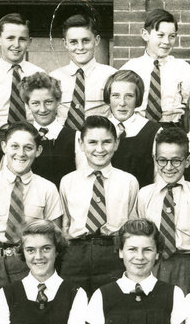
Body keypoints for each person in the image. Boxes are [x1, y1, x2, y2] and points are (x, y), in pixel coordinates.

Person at [0, 121, 63, 306]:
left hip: (30, 263)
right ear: (4, 147)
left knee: (27, 311)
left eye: (28, 147)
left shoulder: (47, 188)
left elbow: (55, 236)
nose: (21, 153)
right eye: (15, 146)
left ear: (38, 151)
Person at [58, 115, 139, 295]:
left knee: (112, 302)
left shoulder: (128, 182)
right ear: (81, 144)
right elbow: (66, 223)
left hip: (114, 252)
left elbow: (132, 224)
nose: (100, 149)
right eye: (92, 142)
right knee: (74, 302)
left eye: (107, 142)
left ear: (116, 143)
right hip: (76, 253)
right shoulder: (68, 181)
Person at [137, 127, 190, 294]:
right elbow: (140, 236)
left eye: (176, 161)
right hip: (153, 263)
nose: (169, 167)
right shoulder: (144, 194)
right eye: (162, 160)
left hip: (186, 265)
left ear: (188, 160)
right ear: (155, 160)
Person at [0, 13, 45, 148]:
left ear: (29, 42)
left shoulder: (40, 75)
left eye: (22, 39)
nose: (16, 45)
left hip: (31, 137)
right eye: (10, 38)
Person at [121, 8, 190, 126]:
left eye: (172, 36)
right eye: (160, 35)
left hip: (172, 127)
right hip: (138, 127)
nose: (166, 41)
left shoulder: (182, 68)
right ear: (145, 34)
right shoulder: (130, 68)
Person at [50, 14, 116, 126]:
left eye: (85, 41)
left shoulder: (111, 75)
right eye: (73, 42)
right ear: (65, 44)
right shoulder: (54, 78)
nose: (80, 47)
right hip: (63, 136)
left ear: (96, 40)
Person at [102, 70, 159, 186]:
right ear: (108, 97)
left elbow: (158, 176)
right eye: (116, 96)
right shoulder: (98, 128)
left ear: (137, 98)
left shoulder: (154, 131)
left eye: (129, 96)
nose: (122, 103)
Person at [21, 73, 77, 185]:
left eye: (48, 102)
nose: (42, 109)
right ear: (27, 105)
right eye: (35, 103)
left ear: (58, 101)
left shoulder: (75, 137)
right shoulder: (22, 137)